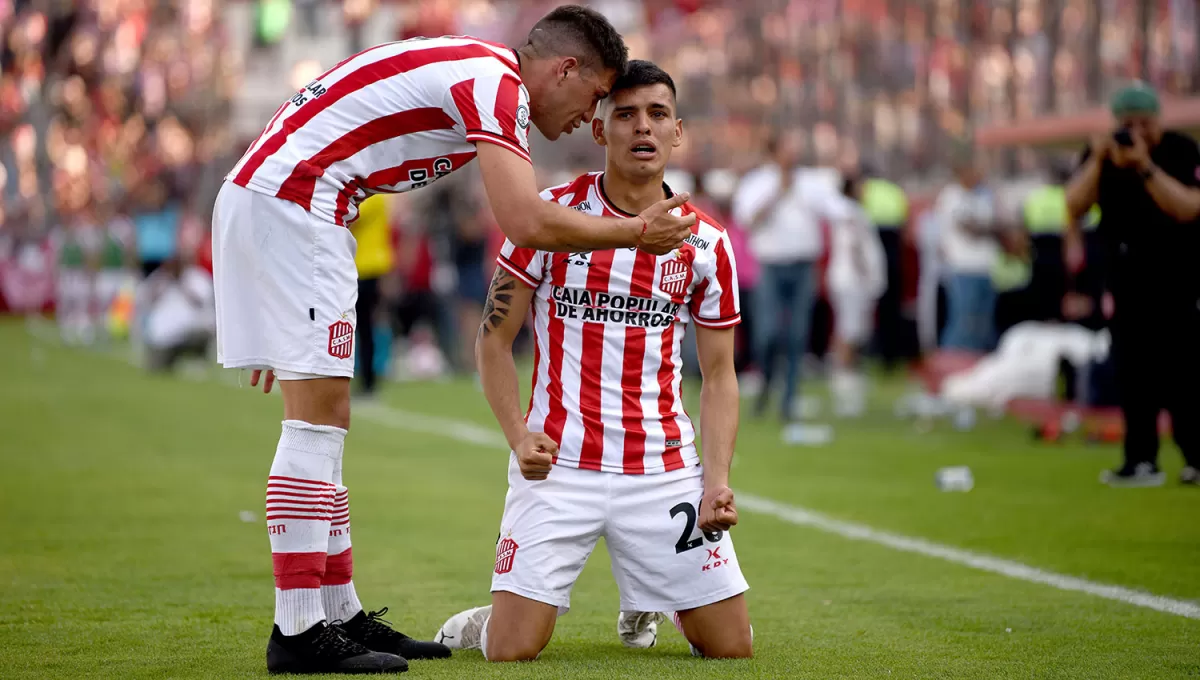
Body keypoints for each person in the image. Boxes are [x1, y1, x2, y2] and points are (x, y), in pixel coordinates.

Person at [211, 7, 698, 674]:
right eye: (592, 96)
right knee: (315, 424)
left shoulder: (478, 69)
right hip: (298, 203)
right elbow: (524, 221)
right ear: (564, 70)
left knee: (326, 418)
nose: (588, 119)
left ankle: (340, 614)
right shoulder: (495, 85)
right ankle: (297, 631)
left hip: (287, 200)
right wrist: (638, 232)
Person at [435, 60, 753, 662]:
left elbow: (719, 377)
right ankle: (491, 619)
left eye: (658, 114)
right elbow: (493, 339)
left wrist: (716, 482)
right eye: (626, 114)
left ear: (677, 131)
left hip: (660, 468)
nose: (643, 127)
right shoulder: (550, 217)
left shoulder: (707, 242)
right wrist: (517, 437)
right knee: (511, 651)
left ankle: (654, 593)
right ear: (599, 130)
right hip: (560, 467)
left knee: (732, 648)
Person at [1065, 81, 1200, 487]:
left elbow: (1188, 207)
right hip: (1125, 277)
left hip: (1178, 276)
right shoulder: (1103, 153)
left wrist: (1144, 166)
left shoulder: (1180, 150)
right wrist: (1099, 158)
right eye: (1128, 125)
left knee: (1185, 373)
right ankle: (1140, 460)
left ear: (1158, 119)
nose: (1137, 133)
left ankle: (1197, 456)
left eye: (1145, 123)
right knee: (1132, 371)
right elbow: (1073, 204)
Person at [732, 133, 824, 424]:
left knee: (797, 336)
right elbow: (746, 220)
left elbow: (834, 210)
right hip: (770, 266)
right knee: (768, 333)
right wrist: (778, 193)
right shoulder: (757, 183)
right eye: (788, 147)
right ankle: (766, 387)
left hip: (803, 265)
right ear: (774, 150)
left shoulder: (811, 182)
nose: (793, 153)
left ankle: (789, 400)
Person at [825, 174, 886, 418]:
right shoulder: (849, 213)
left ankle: (846, 378)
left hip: (851, 280)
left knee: (851, 330)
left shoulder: (854, 212)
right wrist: (865, 274)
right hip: (851, 280)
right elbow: (854, 246)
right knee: (848, 331)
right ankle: (843, 383)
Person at [934, 149, 1000, 353]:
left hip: (986, 268)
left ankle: (974, 368)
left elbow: (998, 222)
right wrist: (989, 228)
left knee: (982, 325)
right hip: (963, 268)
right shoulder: (952, 195)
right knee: (963, 321)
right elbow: (969, 227)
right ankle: (951, 364)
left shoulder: (984, 194)